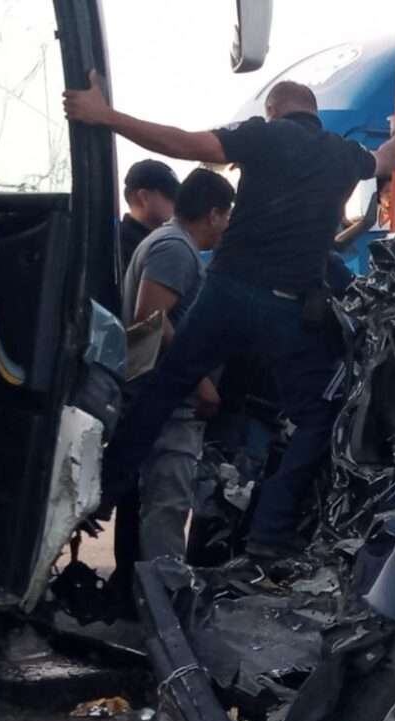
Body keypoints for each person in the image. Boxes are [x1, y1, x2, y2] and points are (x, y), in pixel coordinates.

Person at [64, 73, 395, 560]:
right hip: (289, 309)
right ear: (311, 112)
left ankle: (103, 495)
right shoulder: (342, 153)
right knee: (317, 417)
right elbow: (387, 159)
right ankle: (269, 534)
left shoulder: (262, 135)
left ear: (274, 109)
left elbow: (182, 143)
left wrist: (105, 117)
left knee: (164, 389)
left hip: (227, 293)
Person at [118, 168, 235, 568]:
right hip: (172, 406)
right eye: (227, 214)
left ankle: (144, 603)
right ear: (214, 214)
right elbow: (150, 315)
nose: (227, 225)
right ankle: (163, 617)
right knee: (166, 512)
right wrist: (202, 383)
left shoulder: (168, 243)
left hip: (166, 401)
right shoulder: (175, 248)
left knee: (154, 509)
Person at [119, 159, 180, 275]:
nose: (177, 204)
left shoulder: (120, 239)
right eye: (171, 195)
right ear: (144, 197)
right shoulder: (122, 246)